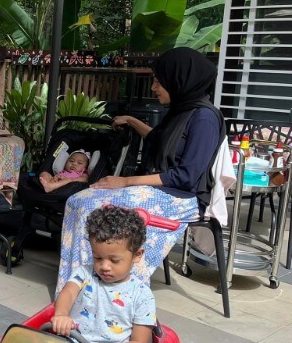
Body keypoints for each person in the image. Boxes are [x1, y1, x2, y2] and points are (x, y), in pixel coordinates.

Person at [55, 47, 225, 294]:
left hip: (182, 198)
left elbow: (186, 176)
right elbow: (158, 138)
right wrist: (132, 121)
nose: (153, 88)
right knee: (77, 201)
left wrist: (126, 181)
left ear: (179, 80)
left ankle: (97, 292)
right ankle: (71, 287)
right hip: (160, 188)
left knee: (96, 208)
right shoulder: (181, 110)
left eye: (158, 82)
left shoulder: (204, 119)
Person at [51, 206, 155, 343]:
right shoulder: (84, 274)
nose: (104, 266)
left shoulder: (142, 296)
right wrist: (61, 314)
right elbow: (68, 293)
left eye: (114, 260)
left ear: (137, 255)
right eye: (98, 257)